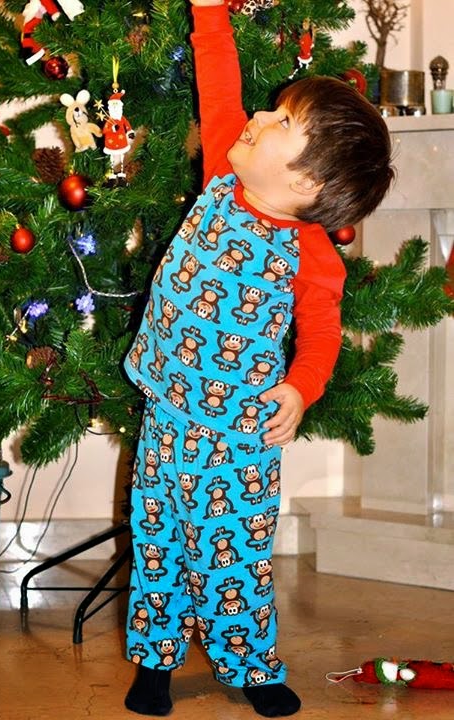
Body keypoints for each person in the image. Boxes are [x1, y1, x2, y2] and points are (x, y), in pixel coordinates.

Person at [122, 0, 394, 717]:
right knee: (157, 544)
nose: (259, 116)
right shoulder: (224, 172)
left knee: (233, 559)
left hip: (236, 439)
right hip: (166, 414)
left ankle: (251, 666)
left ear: (305, 184)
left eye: (281, 121)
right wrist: (209, 11)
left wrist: (301, 389)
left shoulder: (309, 253)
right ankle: (153, 664)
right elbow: (219, 83)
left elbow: (323, 333)